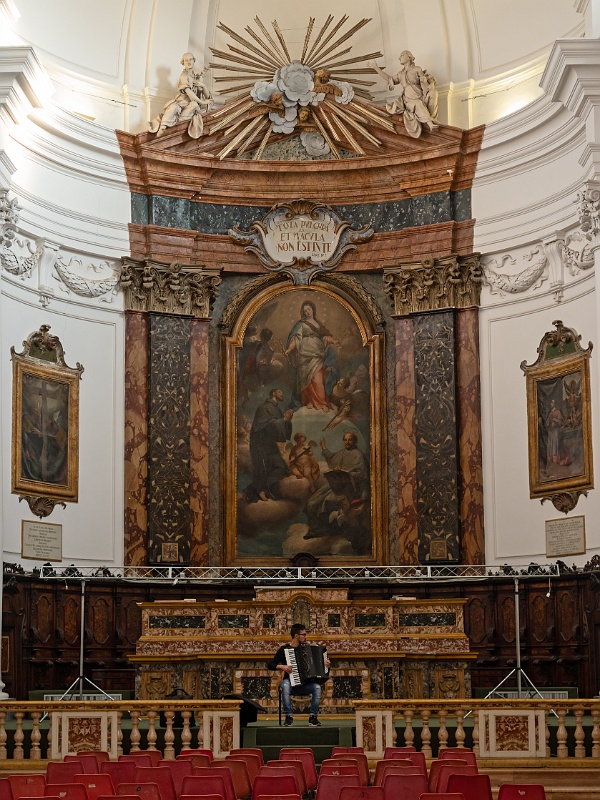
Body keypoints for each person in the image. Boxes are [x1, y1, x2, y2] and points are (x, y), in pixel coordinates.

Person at [304, 431, 369, 547]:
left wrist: (348, 474)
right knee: (311, 503)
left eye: (350, 440)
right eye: (345, 440)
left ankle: (332, 530)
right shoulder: (342, 452)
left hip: (350, 489)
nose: (347, 442)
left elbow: (362, 475)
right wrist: (324, 448)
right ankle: (316, 530)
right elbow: (331, 458)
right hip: (335, 486)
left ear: (354, 441)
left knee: (329, 501)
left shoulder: (358, 455)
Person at [267, 623, 330, 727]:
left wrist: (326, 665)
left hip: (305, 684)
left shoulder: (308, 649)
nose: (305, 637)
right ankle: (288, 717)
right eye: (303, 634)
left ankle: (313, 717)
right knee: (285, 686)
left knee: (317, 687)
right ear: (296, 636)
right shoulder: (284, 649)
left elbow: (320, 669)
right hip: (290, 683)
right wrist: (282, 667)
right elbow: (270, 665)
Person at [285, 300, 339, 411]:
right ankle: (309, 401)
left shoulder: (318, 324)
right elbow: (296, 338)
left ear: (313, 310)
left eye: (309, 309)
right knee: (306, 380)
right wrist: (290, 348)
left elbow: (325, 337)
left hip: (317, 354)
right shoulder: (301, 324)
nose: (307, 312)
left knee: (318, 380)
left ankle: (322, 403)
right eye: (305, 311)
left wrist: (334, 341)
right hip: (304, 355)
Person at [370, 50, 438, 138]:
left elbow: (423, 83)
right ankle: (430, 124)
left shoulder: (417, 69)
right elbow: (389, 78)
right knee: (417, 103)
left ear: (409, 57)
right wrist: (376, 68)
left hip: (419, 95)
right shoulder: (400, 74)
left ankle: (431, 122)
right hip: (408, 100)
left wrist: (426, 83)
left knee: (428, 97)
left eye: (402, 55)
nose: (399, 58)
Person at [243, 388, 293, 503]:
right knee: (263, 469)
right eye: (280, 391)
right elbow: (265, 426)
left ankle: (259, 489)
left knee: (281, 467)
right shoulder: (263, 408)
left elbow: (280, 431)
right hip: (260, 444)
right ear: (273, 393)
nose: (282, 393)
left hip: (270, 444)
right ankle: (260, 490)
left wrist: (287, 421)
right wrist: (283, 420)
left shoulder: (276, 409)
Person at [148, 53, 213, 139]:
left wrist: (203, 85)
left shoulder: (195, 76)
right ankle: (162, 128)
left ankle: (179, 125)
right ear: (183, 63)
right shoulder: (184, 76)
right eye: (186, 60)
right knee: (173, 108)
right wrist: (202, 102)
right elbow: (190, 93)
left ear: (194, 61)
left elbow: (207, 97)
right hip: (180, 104)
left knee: (194, 105)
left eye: (190, 59)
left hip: (189, 106)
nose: (189, 62)